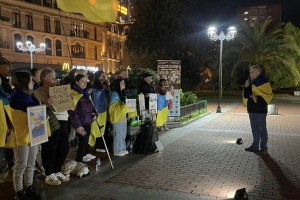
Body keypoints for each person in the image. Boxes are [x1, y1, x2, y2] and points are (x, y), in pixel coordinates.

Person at [34, 67, 70, 185]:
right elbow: (35, 110)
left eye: (55, 77)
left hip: (63, 118)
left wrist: (69, 99)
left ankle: (57, 169)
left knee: (63, 146)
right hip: (51, 121)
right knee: (50, 147)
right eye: (52, 78)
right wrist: (45, 104)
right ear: (44, 79)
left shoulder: (60, 89)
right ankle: (49, 172)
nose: (55, 80)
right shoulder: (39, 91)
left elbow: (69, 105)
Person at [9, 72, 41, 200]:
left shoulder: (29, 96)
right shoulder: (18, 98)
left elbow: (35, 112)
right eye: (31, 80)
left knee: (31, 163)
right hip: (22, 135)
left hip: (32, 133)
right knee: (21, 164)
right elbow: (31, 112)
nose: (33, 83)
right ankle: (19, 191)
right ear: (24, 82)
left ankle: (29, 187)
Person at [68, 74, 98, 162]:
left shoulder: (85, 93)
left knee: (86, 139)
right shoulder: (73, 94)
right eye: (82, 81)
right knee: (83, 140)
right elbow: (73, 112)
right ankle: (79, 159)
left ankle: (85, 154)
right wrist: (78, 125)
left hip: (88, 120)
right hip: (81, 122)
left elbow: (91, 106)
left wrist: (95, 113)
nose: (85, 83)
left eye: (86, 81)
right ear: (76, 82)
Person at [243, 65, 273, 154]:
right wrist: (246, 87)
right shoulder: (250, 82)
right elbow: (246, 95)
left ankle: (264, 147)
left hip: (260, 109)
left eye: (252, 72)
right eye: (250, 72)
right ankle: (255, 146)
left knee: (261, 129)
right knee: (254, 128)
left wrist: (256, 97)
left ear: (258, 72)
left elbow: (268, 95)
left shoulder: (264, 82)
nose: (250, 74)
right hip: (252, 108)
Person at [109, 79, 129, 156]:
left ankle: (122, 148)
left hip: (123, 116)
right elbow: (113, 107)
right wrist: (124, 105)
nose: (124, 84)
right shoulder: (114, 93)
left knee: (123, 133)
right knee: (118, 133)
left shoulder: (122, 93)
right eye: (122, 83)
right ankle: (117, 150)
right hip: (117, 117)